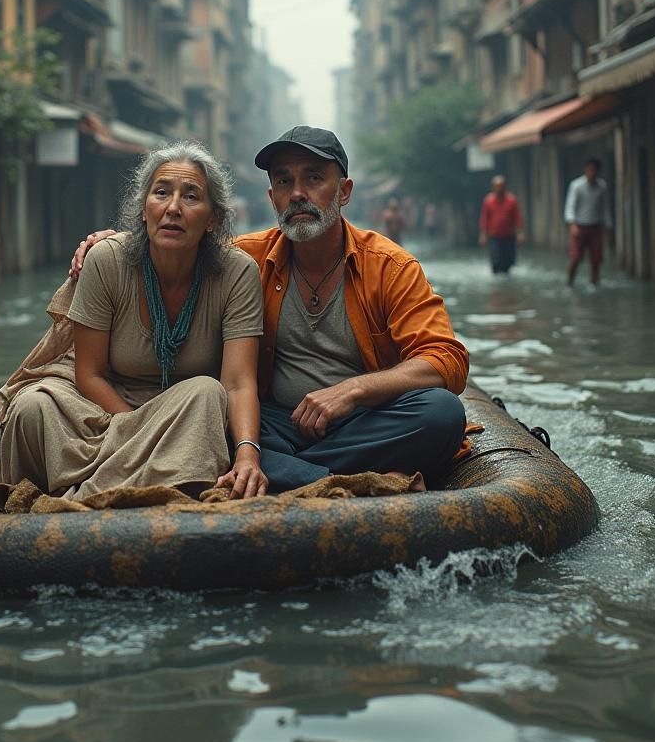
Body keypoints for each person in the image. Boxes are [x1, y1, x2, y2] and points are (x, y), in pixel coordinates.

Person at [73, 126, 470, 494]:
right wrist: (113, 243)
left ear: (344, 191)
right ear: (272, 197)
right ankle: (339, 479)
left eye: (314, 178)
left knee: (442, 413)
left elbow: (446, 360)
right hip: (273, 422)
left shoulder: (389, 266)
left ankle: (296, 474)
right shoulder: (244, 260)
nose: (298, 193)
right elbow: (177, 240)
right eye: (284, 181)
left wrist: (352, 390)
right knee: (218, 420)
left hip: (361, 420)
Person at [0, 141, 267, 504]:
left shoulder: (237, 272)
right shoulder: (107, 259)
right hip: (106, 410)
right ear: (143, 209)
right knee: (32, 407)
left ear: (213, 218)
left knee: (206, 392)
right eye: (161, 193)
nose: (173, 208)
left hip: (180, 414)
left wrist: (249, 454)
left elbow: (236, 382)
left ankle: (87, 491)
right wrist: (138, 430)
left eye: (191, 197)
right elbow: (89, 374)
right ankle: (131, 482)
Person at [564, 157, 613, 286]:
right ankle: (569, 282)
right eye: (589, 170)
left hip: (596, 226)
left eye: (594, 171)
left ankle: (594, 284)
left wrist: (608, 227)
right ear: (585, 170)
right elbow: (570, 206)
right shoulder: (576, 186)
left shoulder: (602, 187)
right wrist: (572, 224)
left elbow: (605, 208)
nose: (592, 173)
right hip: (580, 226)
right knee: (575, 257)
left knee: (596, 260)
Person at [479, 175, 525, 274]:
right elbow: (485, 218)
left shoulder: (512, 200)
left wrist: (520, 233)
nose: (499, 188)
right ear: (493, 187)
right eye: (497, 186)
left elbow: (517, 218)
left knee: (508, 263)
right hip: (494, 237)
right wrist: (483, 235)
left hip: (509, 237)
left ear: (505, 187)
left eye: (501, 186)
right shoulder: (488, 201)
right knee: (496, 262)